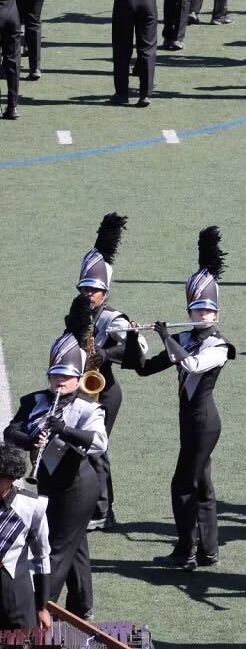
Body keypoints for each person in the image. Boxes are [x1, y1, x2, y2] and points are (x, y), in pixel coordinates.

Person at [124, 226, 234, 570]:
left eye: (206, 311)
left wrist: (168, 338)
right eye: (195, 311)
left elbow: (195, 365)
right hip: (189, 422)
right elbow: (144, 368)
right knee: (202, 483)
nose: (200, 316)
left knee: (183, 485)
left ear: (216, 313)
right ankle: (208, 550)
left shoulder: (219, 345)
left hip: (204, 422)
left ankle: (186, 550)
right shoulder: (185, 337)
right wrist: (132, 339)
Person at [4, 301, 108, 619]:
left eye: (66, 377)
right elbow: (11, 433)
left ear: (78, 378)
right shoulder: (35, 402)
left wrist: (64, 429)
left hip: (79, 486)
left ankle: (38, 609)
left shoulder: (87, 408)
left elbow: (99, 443)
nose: (59, 383)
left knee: (56, 548)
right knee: (75, 546)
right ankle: (82, 607)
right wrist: (32, 438)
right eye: (55, 376)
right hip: (47, 482)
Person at [74, 212, 141, 533]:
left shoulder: (113, 319)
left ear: (105, 292)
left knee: (96, 448)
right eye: (84, 288)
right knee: (82, 447)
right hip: (82, 391)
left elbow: (138, 350)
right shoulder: (77, 313)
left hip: (105, 390)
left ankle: (102, 511)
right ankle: (92, 505)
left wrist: (105, 353)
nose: (88, 294)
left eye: (94, 290)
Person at [0, 444, 51, 629]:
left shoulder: (31, 507)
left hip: (16, 595)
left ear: (11, 478)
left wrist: (42, 607)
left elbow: (41, 557)